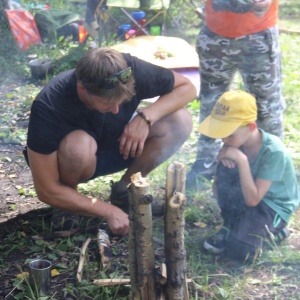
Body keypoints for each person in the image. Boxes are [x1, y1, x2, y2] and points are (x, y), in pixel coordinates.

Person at [24, 47, 196, 235]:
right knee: (77, 145)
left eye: (121, 102)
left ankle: (125, 191)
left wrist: (145, 118)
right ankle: (67, 204)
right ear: (82, 89)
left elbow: (188, 88)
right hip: (77, 160)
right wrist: (107, 211)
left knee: (180, 120)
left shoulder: (129, 69)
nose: (116, 110)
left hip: (121, 145)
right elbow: (46, 189)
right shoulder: (49, 105)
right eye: (108, 103)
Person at [188, 0, 285, 183]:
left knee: (266, 107)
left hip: (258, 35)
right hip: (214, 36)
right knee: (212, 104)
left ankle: (272, 168)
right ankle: (206, 163)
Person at [198, 90, 299, 262]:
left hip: (272, 206)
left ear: (251, 127)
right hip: (249, 195)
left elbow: (254, 200)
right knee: (226, 165)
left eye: (229, 133)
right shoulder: (237, 143)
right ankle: (230, 225)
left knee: (240, 252)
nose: (223, 138)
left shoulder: (273, 151)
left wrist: (242, 161)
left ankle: (276, 233)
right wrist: (220, 164)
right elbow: (217, 191)